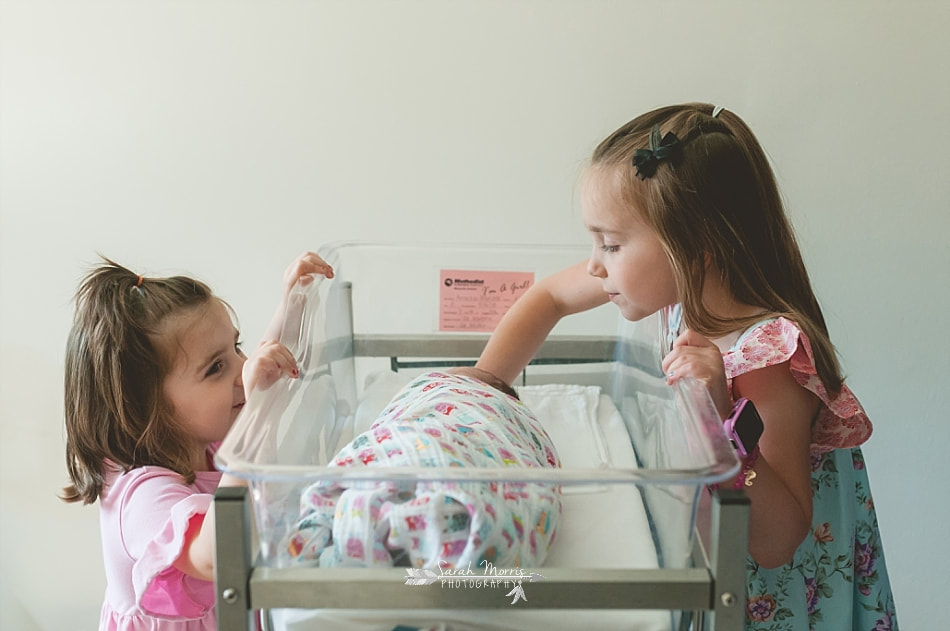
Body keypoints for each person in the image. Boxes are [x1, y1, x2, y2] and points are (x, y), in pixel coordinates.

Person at [474, 103, 898, 630]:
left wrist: (726, 421)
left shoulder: (768, 358)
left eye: (610, 243)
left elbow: (776, 540)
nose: (594, 264)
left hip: (774, 599)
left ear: (694, 247)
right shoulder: (675, 289)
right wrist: (483, 386)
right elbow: (550, 297)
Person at [62, 251, 334, 631]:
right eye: (216, 367)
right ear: (147, 408)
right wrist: (256, 412)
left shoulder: (205, 443)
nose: (243, 369)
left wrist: (293, 304)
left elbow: (257, 374)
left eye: (236, 347)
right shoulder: (143, 499)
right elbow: (219, 553)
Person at [283, 366, 561, 571]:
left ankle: (354, 533)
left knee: (362, 494)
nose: (443, 379)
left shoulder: (501, 413)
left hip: (469, 451)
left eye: (452, 377)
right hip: (412, 442)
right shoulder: (421, 406)